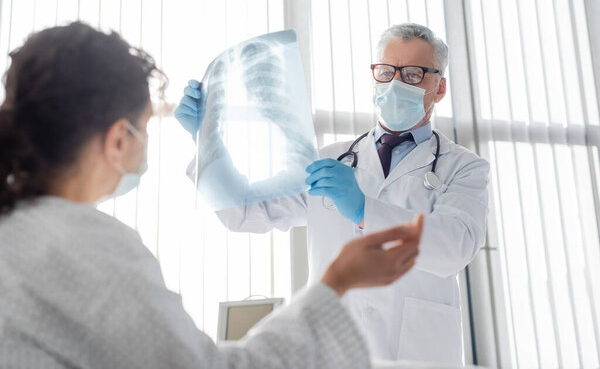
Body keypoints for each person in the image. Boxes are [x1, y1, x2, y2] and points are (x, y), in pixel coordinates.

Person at [0, 22, 424, 368]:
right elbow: (243, 212)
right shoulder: (86, 246)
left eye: (414, 73)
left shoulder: (16, 226)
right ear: (116, 141)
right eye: (143, 127)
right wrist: (337, 283)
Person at [176, 23, 490, 364]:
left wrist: (362, 209)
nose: (395, 83)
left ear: (439, 87)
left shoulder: (464, 167)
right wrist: (205, 139)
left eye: (413, 74)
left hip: (418, 352)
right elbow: (245, 212)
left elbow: (456, 246)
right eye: (386, 72)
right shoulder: (329, 160)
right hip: (337, 351)